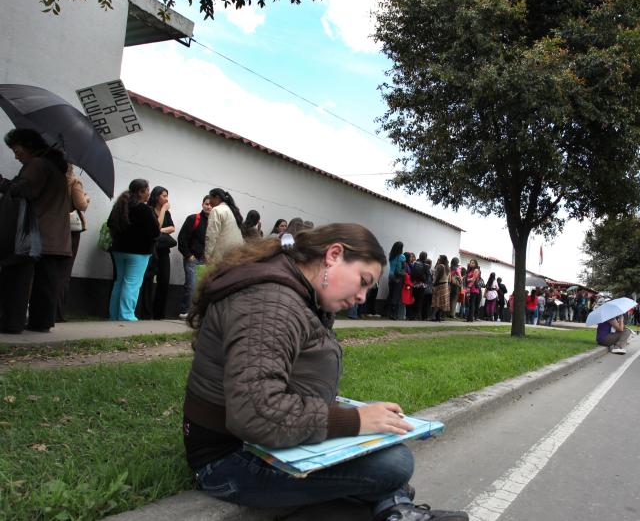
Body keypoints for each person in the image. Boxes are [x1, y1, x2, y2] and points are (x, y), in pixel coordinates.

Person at [182, 223, 467, 521]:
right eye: (363, 281)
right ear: (333, 255)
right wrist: (353, 420)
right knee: (394, 464)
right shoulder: (272, 302)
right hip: (229, 460)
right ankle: (393, 508)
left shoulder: (295, 291)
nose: (362, 297)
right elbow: (257, 412)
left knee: (384, 449)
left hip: (257, 445)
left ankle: (395, 510)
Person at [0, 129, 72, 333]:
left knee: (15, 279)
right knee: (46, 284)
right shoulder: (56, 169)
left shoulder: (37, 164)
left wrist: (4, 183)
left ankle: (10, 323)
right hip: (55, 236)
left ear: (29, 146)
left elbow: (25, 190)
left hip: (34, 234)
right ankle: (40, 323)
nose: (15, 155)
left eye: (17, 149)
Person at [107, 179, 160, 321]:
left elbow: (110, 223)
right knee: (132, 283)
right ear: (141, 192)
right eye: (148, 190)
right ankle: (126, 316)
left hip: (118, 250)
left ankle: (114, 314)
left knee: (119, 282)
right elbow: (155, 232)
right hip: (139, 253)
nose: (149, 193)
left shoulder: (119, 206)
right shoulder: (144, 209)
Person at [55, 164, 90, 322]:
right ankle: (58, 311)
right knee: (64, 271)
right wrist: (86, 198)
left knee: (50, 270)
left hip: (52, 227)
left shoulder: (52, 180)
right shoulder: (73, 182)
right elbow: (81, 205)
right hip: (70, 230)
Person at [139, 186, 176, 320]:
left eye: (167, 196)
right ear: (156, 196)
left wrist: (160, 230)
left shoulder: (167, 213)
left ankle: (159, 314)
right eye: (164, 196)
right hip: (150, 250)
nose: (166, 199)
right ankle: (146, 313)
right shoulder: (149, 210)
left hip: (164, 250)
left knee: (164, 280)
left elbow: (172, 228)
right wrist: (163, 211)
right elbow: (155, 226)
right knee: (148, 280)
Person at [177, 195, 212, 318]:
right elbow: (182, 239)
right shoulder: (193, 219)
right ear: (202, 204)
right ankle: (186, 311)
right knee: (191, 285)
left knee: (204, 287)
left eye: (211, 205)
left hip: (208, 261)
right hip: (193, 259)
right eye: (207, 204)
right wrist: (188, 255)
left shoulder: (215, 222)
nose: (209, 206)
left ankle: (199, 314)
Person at [205, 188, 244, 264]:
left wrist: (207, 255)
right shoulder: (232, 210)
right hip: (236, 256)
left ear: (217, 198)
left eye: (210, 198)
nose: (209, 202)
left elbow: (211, 235)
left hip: (221, 257)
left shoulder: (217, 210)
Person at [387, 241, 405, 320]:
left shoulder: (391, 255)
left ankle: (389, 313)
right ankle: (394, 315)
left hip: (390, 276)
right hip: (398, 277)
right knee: (396, 296)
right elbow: (403, 268)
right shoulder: (402, 256)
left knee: (391, 295)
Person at [431, 255, 450, 322]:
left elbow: (438, 276)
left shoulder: (440, 266)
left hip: (439, 285)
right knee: (442, 302)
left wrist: (434, 284)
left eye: (439, 259)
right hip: (445, 285)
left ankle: (433, 316)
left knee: (437, 302)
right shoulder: (447, 267)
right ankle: (438, 317)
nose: (438, 259)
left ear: (442, 260)